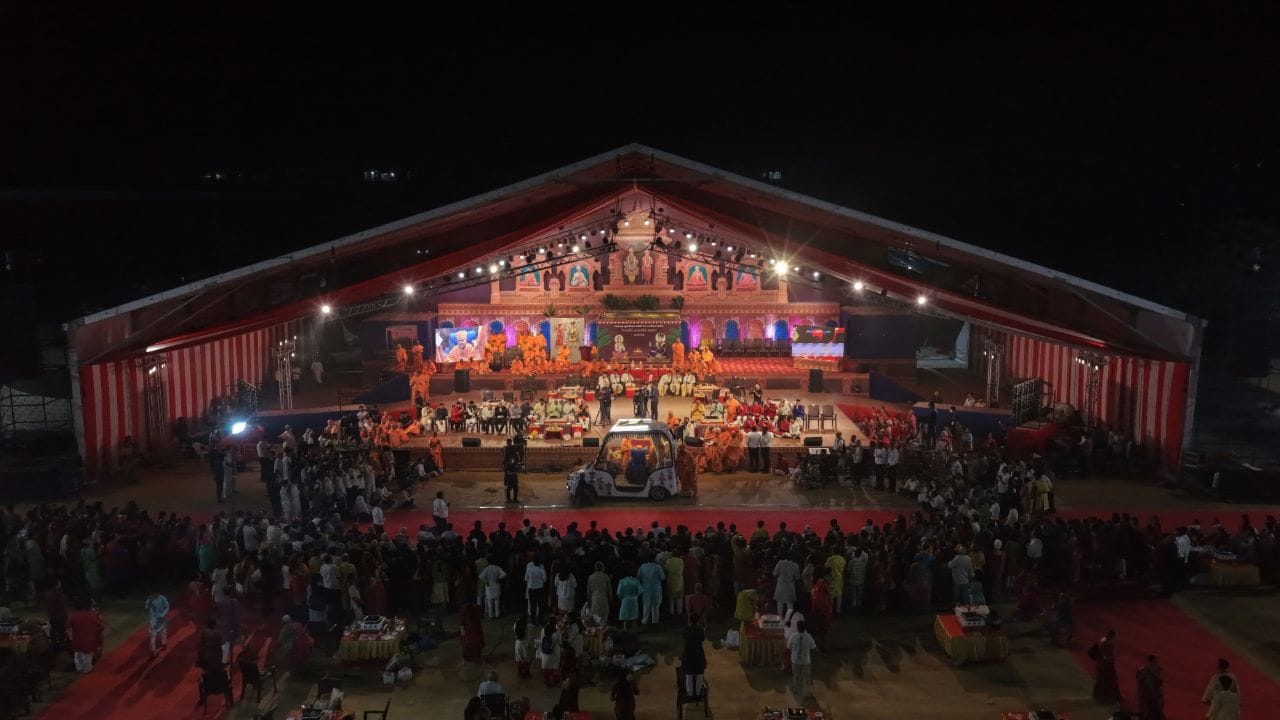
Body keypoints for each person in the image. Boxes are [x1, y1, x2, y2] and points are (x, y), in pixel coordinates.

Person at [68, 603, 104, 673]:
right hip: (88, 640)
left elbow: (68, 625)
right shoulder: (89, 616)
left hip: (77, 640)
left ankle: (79, 668)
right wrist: (95, 632)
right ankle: (87, 670)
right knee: (87, 656)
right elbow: (101, 626)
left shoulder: (73, 616)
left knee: (77, 655)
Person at [786, 619, 817, 700]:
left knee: (796, 676)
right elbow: (813, 647)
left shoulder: (793, 636)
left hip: (795, 660)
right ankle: (806, 693)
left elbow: (788, 647)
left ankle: (795, 689)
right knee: (806, 677)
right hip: (805, 661)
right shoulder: (808, 636)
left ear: (797, 627)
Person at [681, 614, 707, 699]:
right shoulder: (700, 630)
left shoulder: (686, 630)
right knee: (699, 673)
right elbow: (702, 639)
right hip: (698, 654)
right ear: (698, 620)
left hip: (688, 654)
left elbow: (684, 636)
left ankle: (690, 693)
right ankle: (698, 692)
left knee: (689, 674)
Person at [1092, 629, 1121, 704]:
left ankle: (1098, 695)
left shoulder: (1103, 640)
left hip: (1102, 664)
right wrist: (1113, 655)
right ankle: (1104, 697)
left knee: (1101, 680)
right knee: (1106, 681)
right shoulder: (1108, 644)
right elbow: (1106, 656)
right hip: (1106, 665)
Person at [638, 556, 666, 625]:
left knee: (646, 606)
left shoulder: (642, 567)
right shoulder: (658, 567)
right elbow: (663, 577)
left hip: (646, 589)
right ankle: (655, 621)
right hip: (656, 589)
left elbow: (638, 576)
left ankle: (645, 620)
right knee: (655, 606)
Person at [1136, 654, 1164, 720]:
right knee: (1148, 714)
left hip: (1153, 696)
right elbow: (1139, 684)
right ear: (1151, 661)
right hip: (1148, 697)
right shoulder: (1142, 671)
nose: (1155, 663)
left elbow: (1160, 684)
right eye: (1155, 661)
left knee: (1155, 714)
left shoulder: (1158, 670)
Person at [145, 592, 170, 656]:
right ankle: (152, 650)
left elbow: (167, 607)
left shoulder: (163, 598)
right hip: (153, 619)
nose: (154, 594)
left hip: (161, 619)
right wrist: (148, 602)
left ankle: (164, 643)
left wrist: (163, 614)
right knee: (152, 635)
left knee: (163, 633)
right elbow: (146, 607)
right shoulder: (150, 598)